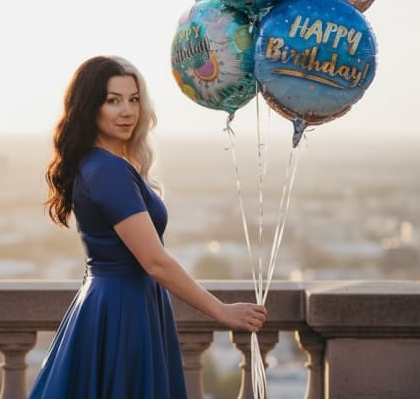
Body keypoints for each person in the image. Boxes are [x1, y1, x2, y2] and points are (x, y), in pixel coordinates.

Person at [29, 55, 266, 398]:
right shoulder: (109, 171)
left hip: (112, 303)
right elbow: (155, 262)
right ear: (89, 107)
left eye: (133, 99)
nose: (127, 111)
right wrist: (222, 311)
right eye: (113, 100)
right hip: (124, 310)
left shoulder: (100, 164)